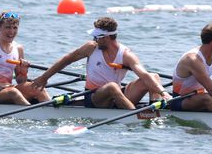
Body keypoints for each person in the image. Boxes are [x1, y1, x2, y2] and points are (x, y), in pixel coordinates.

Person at [31, 17, 171, 109]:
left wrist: (163, 92)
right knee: (112, 87)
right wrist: (45, 77)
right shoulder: (91, 48)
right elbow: (66, 59)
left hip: (117, 95)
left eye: (96, 37)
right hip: (94, 97)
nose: (94, 40)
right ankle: (136, 115)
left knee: (153, 77)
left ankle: (156, 110)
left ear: (106, 38)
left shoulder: (126, 54)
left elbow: (144, 75)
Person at [0, 11, 50, 105]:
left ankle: (51, 111)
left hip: (8, 88)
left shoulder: (18, 48)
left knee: (38, 88)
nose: (11, 32)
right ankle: (32, 113)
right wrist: (0, 85)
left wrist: (23, 71)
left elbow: (21, 81)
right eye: (8, 27)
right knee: (13, 92)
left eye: (15, 28)